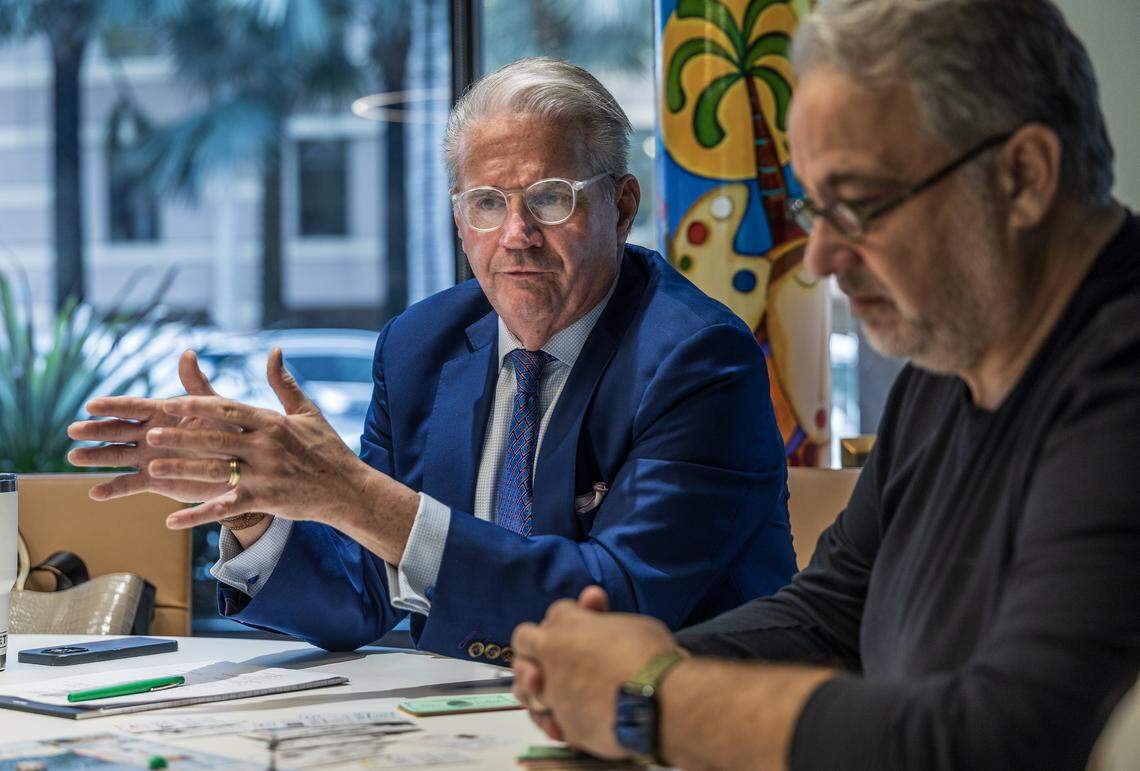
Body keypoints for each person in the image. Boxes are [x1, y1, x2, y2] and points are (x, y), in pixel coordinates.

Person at [509, 2, 1140, 768]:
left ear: (1023, 177)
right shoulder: (954, 361)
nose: (820, 258)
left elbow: (1005, 739)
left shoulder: (1120, 380)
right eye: (816, 207)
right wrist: (607, 670)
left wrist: (652, 698)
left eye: (860, 205)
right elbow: (834, 612)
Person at [67, 57, 797, 659]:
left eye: (550, 198)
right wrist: (261, 509)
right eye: (487, 203)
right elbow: (363, 595)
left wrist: (356, 496)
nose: (516, 234)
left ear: (623, 206)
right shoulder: (420, 346)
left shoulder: (700, 358)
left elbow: (619, 606)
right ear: (458, 218)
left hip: (678, 728)